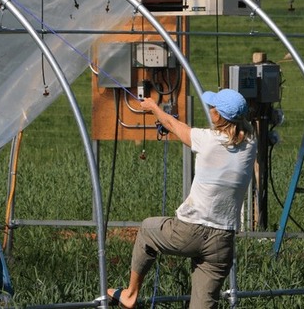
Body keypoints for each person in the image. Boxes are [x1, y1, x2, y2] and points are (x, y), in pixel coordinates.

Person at [107, 88, 256, 309]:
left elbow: (173, 124)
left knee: (147, 229)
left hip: (189, 231)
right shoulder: (251, 144)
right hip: (223, 240)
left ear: (218, 116)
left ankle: (130, 294)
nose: (210, 110)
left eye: (212, 107)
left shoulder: (207, 140)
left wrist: (153, 107)